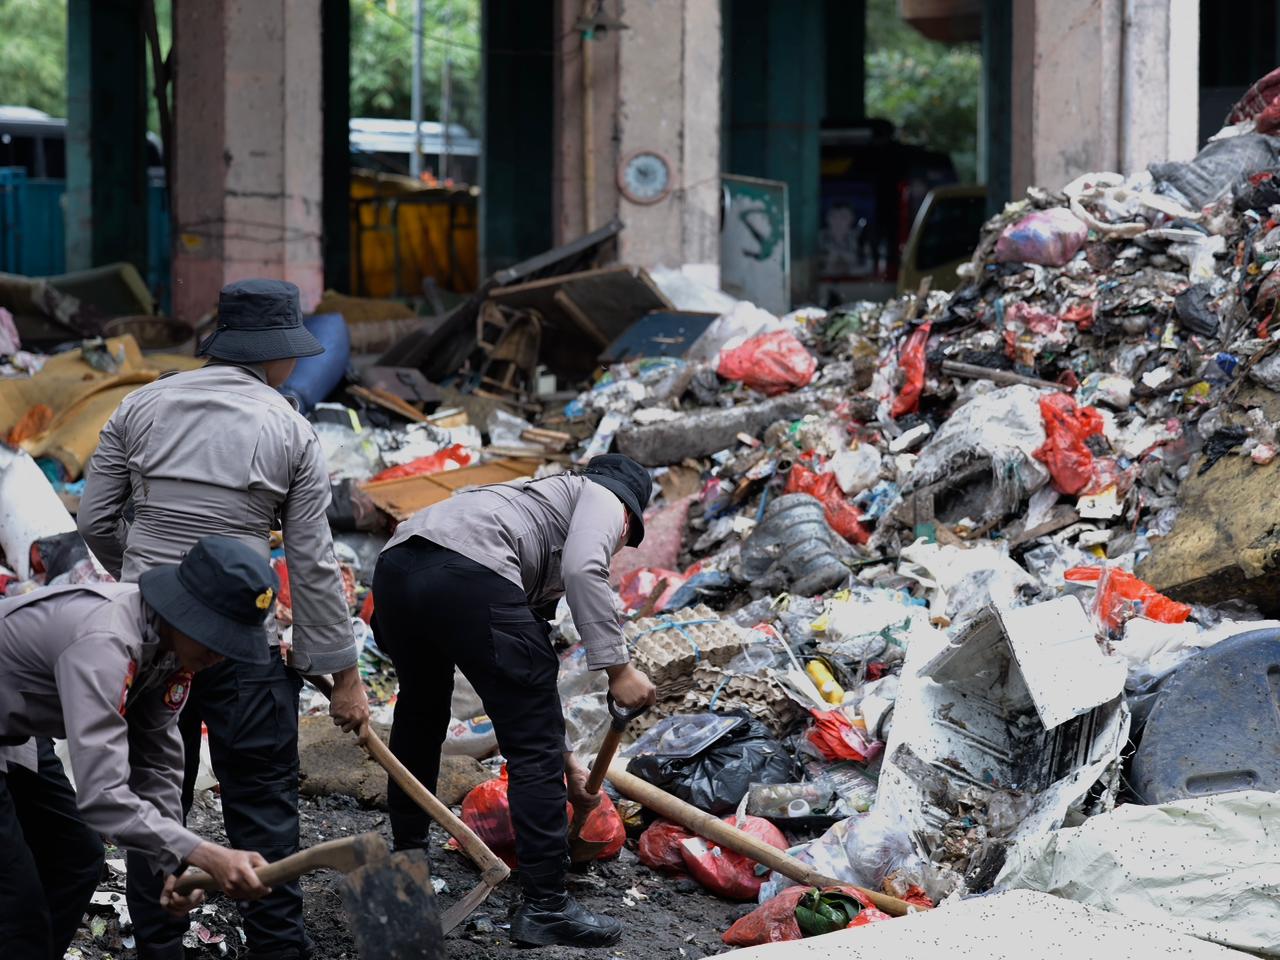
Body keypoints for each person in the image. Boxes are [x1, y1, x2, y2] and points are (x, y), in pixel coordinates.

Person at [77, 278, 370, 960]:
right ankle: (276, 948)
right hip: (244, 646)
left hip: (149, 640)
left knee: (156, 803)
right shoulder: (291, 429)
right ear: (278, 356)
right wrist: (344, 675)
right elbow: (315, 563)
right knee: (262, 801)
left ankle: (160, 946)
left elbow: (93, 520)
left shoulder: (139, 405)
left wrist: (146, 582)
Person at [371, 453, 658, 948]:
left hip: (397, 570)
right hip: (467, 574)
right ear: (629, 516)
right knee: (532, 748)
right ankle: (546, 905)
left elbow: (521, 693)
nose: (617, 548)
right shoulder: (606, 498)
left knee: (421, 712)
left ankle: (407, 860)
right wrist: (620, 670)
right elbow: (585, 568)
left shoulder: (529, 504)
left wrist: (568, 768)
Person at [0, 536, 283, 960]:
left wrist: (178, 865)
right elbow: (102, 797)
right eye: (215, 640)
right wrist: (204, 853)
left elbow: (158, 764)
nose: (219, 657)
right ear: (186, 610)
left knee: (77, 859)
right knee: (16, 909)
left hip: (16, 729)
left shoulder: (172, 650)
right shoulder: (106, 644)